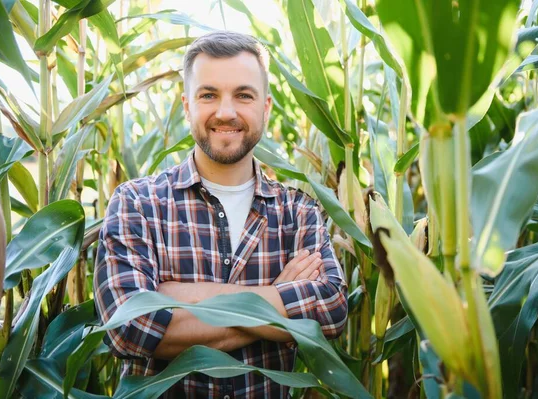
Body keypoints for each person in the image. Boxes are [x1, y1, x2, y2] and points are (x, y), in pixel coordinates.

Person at [93, 31, 348, 399]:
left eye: (243, 95)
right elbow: (129, 327)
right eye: (209, 95)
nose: (226, 112)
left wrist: (181, 298)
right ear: (186, 105)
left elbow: (331, 311)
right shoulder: (137, 204)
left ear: (266, 107)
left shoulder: (298, 212)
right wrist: (279, 297)